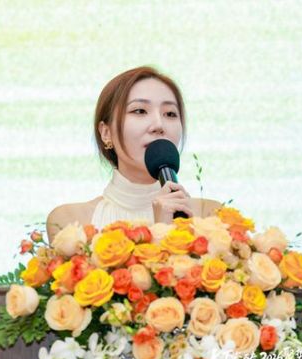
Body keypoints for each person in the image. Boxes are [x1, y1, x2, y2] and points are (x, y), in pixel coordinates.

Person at [46, 66, 221, 242]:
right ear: (106, 133)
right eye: (139, 111)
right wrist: (161, 230)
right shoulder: (71, 223)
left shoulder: (211, 217)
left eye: (170, 113)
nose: (158, 125)